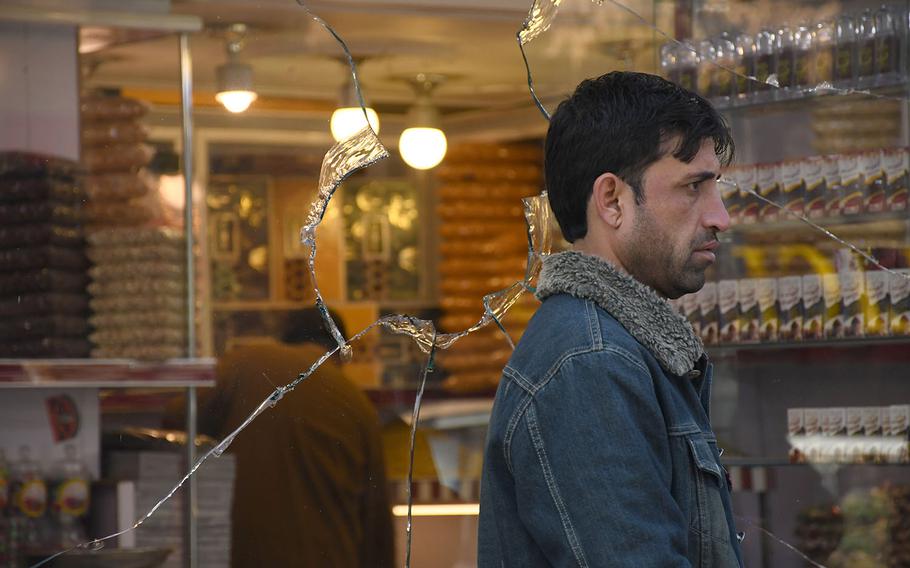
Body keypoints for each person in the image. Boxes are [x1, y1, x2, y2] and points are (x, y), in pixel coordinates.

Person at [478, 71, 743, 567]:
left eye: (717, 188)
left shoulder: (617, 346)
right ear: (612, 200)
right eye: (693, 187)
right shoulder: (590, 363)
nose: (719, 216)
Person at [195, 308, 394, 567]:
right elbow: (376, 526)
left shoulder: (246, 363)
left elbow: (177, 420)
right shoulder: (357, 403)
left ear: (283, 339)